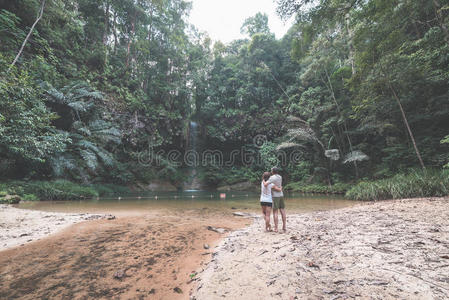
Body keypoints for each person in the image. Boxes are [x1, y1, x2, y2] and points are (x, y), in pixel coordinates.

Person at [264, 167, 286, 233]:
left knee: (275, 212)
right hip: (281, 195)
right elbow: (279, 186)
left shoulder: (272, 177)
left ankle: (276, 228)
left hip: (275, 196)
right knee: (282, 210)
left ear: (273, 171)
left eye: (271, 171)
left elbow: (265, 184)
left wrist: (263, 179)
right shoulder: (280, 177)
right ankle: (284, 226)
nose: (271, 172)